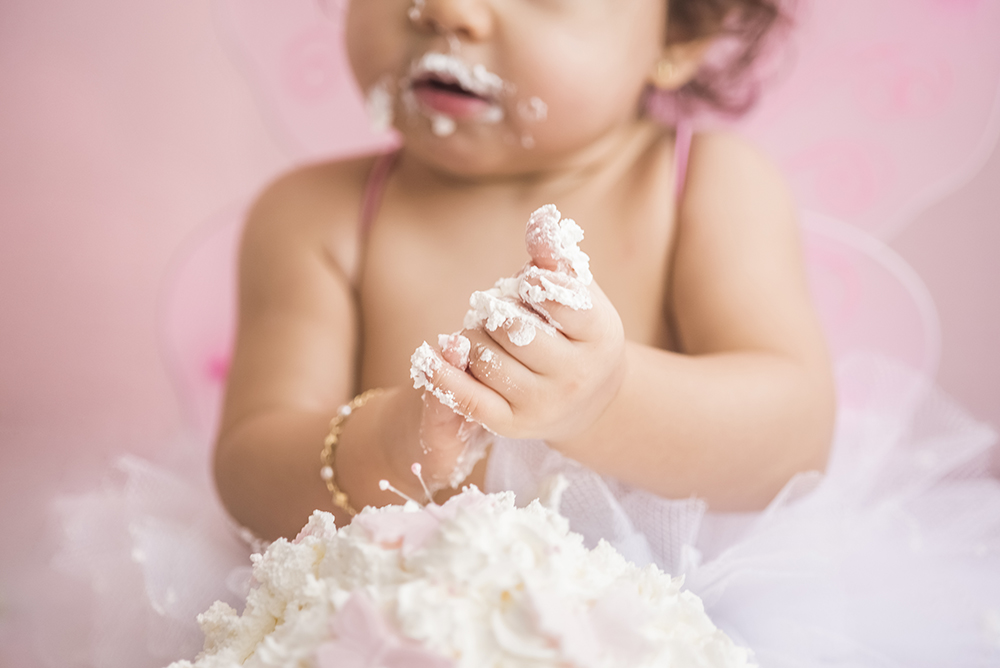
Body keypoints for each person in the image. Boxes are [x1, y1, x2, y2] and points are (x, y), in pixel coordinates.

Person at [212, 0, 837, 544]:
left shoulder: (704, 186)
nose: (446, 9)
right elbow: (248, 471)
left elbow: (796, 437)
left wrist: (608, 400)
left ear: (677, 36)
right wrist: (390, 446)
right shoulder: (317, 217)